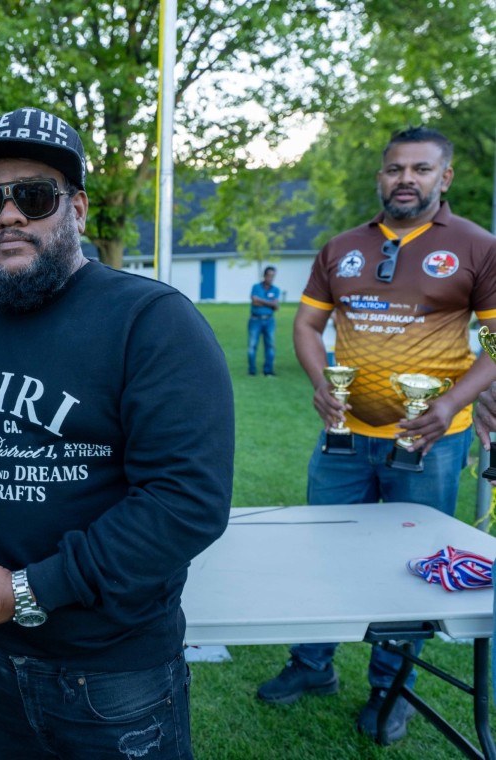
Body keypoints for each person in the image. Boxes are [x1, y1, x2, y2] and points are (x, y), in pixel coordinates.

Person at [0, 106, 235, 760]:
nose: (8, 216)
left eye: (33, 197)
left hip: (112, 674)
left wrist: (25, 592)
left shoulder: (151, 320)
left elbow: (186, 503)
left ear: (78, 209)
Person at [258, 126, 496, 743]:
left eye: (421, 169)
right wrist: (321, 383)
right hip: (344, 438)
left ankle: (392, 689)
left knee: (411, 566)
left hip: (430, 441)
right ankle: (312, 664)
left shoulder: (477, 247)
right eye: (395, 169)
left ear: (445, 177)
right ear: (380, 177)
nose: (405, 179)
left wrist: (451, 403)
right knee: (323, 551)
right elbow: (307, 326)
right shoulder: (342, 247)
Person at [247, 265, 280, 376]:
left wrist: (260, 301)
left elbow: (276, 306)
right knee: (252, 346)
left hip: (269, 321)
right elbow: (254, 301)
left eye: (273, 276)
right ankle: (252, 371)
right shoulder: (256, 287)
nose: (271, 278)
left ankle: (268, 371)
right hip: (255, 320)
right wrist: (270, 303)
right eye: (269, 275)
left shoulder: (276, 289)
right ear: (264, 275)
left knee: (270, 346)